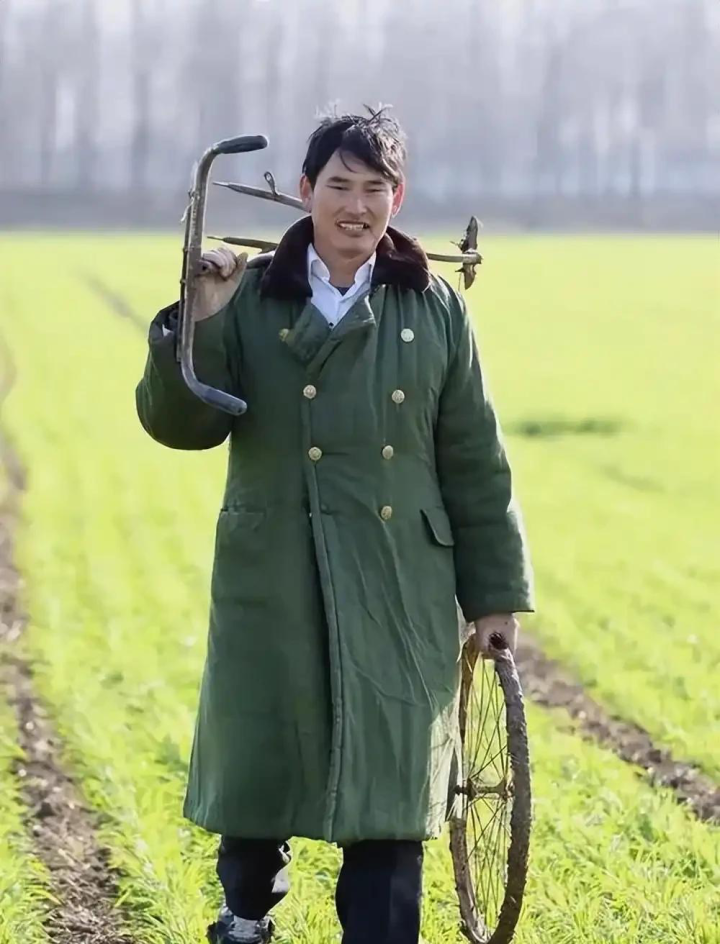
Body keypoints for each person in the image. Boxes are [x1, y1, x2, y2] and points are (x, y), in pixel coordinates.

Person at [135, 109, 534, 944]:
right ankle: (246, 916)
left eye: (374, 188)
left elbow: (473, 456)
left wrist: (494, 596)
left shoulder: (433, 309)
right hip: (274, 571)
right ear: (306, 190)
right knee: (262, 774)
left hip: (398, 580)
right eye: (340, 186)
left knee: (390, 793)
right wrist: (201, 314)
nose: (357, 207)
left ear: (398, 197)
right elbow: (181, 426)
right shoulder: (248, 295)